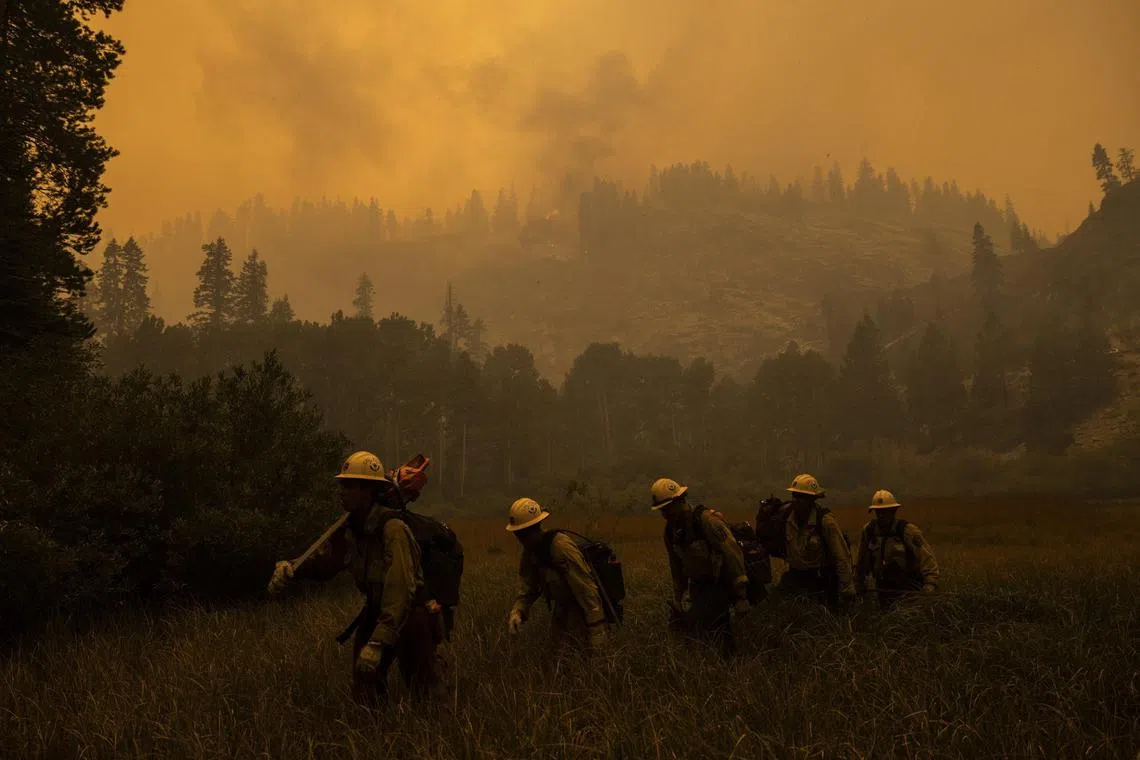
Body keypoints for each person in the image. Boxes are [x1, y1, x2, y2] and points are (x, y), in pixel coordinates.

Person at [267, 451, 442, 704]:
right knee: (364, 688)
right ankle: (375, 738)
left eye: (349, 485)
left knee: (426, 691)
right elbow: (328, 563)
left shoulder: (393, 530)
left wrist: (379, 642)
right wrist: (292, 569)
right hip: (375, 611)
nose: (342, 491)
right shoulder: (352, 530)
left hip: (409, 616)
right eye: (342, 484)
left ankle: (439, 736)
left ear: (368, 491)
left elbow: (401, 590)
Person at [653, 477, 750, 656]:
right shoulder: (671, 532)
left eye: (667, 509)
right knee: (699, 629)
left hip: (720, 583)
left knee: (712, 627)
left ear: (679, 502)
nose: (664, 515)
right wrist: (678, 596)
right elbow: (676, 566)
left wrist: (740, 596)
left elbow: (732, 553)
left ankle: (730, 663)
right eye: (662, 510)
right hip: (698, 587)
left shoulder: (706, 520)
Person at [505, 498, 609, 653]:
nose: (520, 539)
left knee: (580, 657)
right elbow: (528, 587)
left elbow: (586, 590)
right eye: (518, 534)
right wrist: (518, 611)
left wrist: (597, 631)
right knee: (559, 656)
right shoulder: (530, 552)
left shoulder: (561, 547)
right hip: (561, 609)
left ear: (534, 528)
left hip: (579, 610)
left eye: (523, 533)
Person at [774, 473, 856, 611]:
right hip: (796, 578)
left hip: (821, 580)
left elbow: (842, 556)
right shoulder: (786, 519)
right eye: (795, 496)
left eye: (802, 497)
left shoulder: (825, 521)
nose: (797, 500)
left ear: (812, 499)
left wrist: (847, 588)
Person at [855, 489, 940, 610]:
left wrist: (930, 584)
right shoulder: (869, 531)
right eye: (878, 512)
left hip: (909, 587)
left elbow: (927, 558)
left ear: (893, 511)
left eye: (885, 511)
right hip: (882, 588)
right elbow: (861, 560)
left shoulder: (908, 531)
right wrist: (858, 583)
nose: (881, 515)